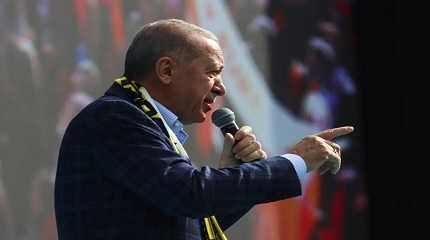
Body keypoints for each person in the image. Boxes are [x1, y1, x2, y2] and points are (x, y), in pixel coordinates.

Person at [54, 19, 353, 240]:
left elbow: (186, 223)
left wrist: (233, 172)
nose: (221, 86)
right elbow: (189, 194)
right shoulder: (114, 116)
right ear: (167, 71)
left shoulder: (136, 121)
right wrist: (295, 161)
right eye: (212, 72)